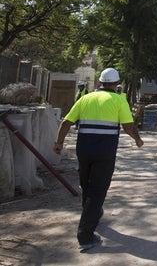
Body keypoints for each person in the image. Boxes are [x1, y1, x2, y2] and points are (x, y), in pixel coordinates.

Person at [53, 68, 144, 252]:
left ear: (101, 82)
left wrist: (59, 143)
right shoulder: (119, 100)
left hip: (84, 151)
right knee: (97, 191)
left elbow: (66, 123)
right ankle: (85, 236)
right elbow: (128, 127)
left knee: (87, 186)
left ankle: (94, 213)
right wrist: (138, 139)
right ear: (116, 84)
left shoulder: (85, 98)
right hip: (104, 153)